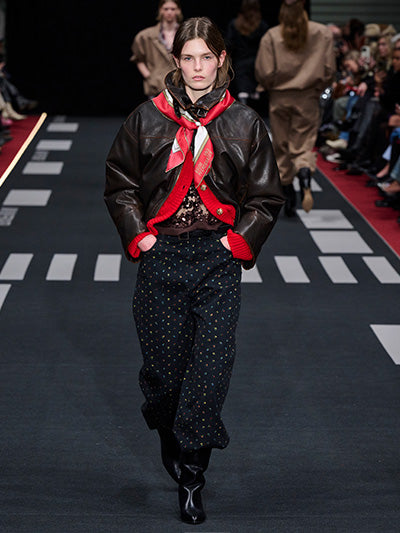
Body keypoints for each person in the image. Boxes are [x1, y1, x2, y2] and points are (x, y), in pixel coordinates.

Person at [105, 16, 284, 525]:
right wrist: (140, 235)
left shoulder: (245, 123)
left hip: (217, 260)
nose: (198, 67)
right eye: (189, 58)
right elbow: (119, 183)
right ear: (176, 61)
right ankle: (171, 434)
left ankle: (192, 474)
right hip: (161, 256)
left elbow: (266, 196)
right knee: (164, 376)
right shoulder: (146, 118)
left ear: (222, 59)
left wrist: (236, 242)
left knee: (210, 370)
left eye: (207, 57)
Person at [255, 0, 335, 216]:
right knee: (303, 145)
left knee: (281, 146)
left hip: (279, 97)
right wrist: (318, 85)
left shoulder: (272, 36)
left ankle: (287, 193)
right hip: (308, 97)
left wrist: (271, 85)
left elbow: (264, 71)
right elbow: (329, 69)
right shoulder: (322, 33)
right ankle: (304, 174)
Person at [130, 0, 183, 99]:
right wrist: (150, 77)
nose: (169, 12)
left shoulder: (186, 34)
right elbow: (138, 59)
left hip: (180, 85)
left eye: (173, 9)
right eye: (166, 9)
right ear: (160, 10)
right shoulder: (146, 36)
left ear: (178, 11)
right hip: (156, 86)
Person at [225, 0, 269, 105]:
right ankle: (253, 93)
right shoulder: (262, 25)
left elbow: (229, 44)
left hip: (240, 64)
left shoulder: (234, 24)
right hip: (257, 63)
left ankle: (243, 93)